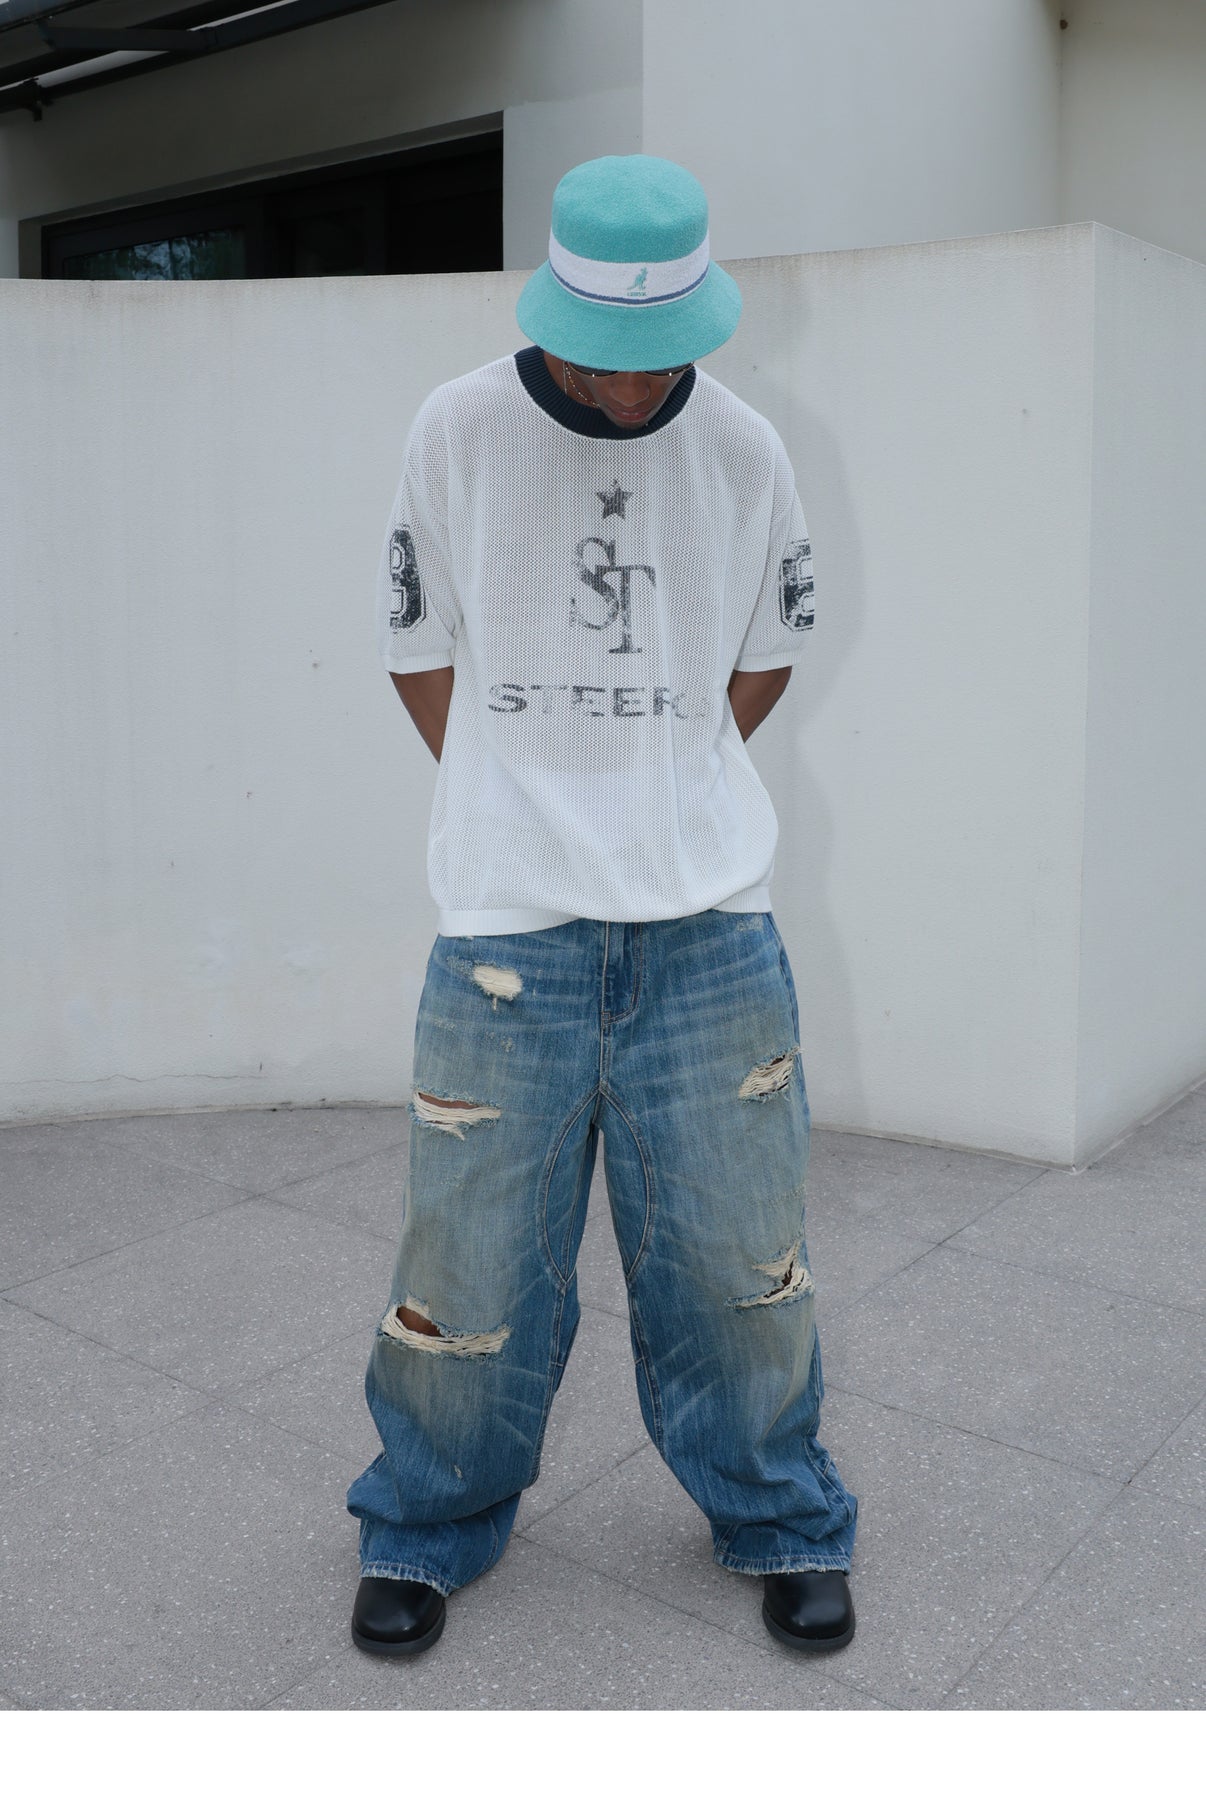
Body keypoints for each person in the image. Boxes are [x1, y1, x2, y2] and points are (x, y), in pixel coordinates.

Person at [346, 153, 858, 1658]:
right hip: (504, 928)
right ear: (550, 310)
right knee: (467, 1263)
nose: (632, 388)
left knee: (737, 1265)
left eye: (659, 357)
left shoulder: (747, 448)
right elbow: (413, 644)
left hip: (710, 929)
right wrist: (515, 788)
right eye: (602, 356)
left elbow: (768, 649)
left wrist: (661, 778)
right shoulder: (457, 429)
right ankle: (423, 1525)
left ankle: (780, 1515)